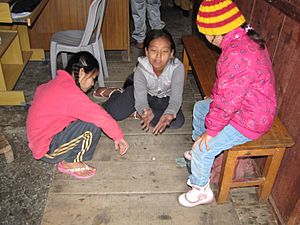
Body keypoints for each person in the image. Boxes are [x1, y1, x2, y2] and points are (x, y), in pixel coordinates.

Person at [178, 0, 277, 207]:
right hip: (248, 105)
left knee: (203, 149)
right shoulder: (242, 40)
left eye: (204, 33)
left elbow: (228, 100)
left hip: (251, 119)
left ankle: (200, 190)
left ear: (215, 32)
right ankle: (201, 150)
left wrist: (212, 131)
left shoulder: (236, 54)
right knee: (200, 108)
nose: (205, 38)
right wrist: (213, 102)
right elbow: (227, 87)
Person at [26, 52, 129, 179]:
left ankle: (64, 152)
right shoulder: (71, 95)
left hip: (38, 138)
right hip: (46, 149)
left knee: (89, 113)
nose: (92, 84)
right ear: (81, 73)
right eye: (93, 78)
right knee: (92, 126)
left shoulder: (55, 84)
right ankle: (70, 162)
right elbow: (100, 117)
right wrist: (118, 137)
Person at [94, 29, 185, 135]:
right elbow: (141, 99)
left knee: (177, 122)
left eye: (164, 51)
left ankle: (139, 113)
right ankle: (116, 93)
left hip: (165, 99)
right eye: (154, 50)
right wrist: (144, 108)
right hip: (140, 94)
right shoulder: (141, 69)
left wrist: (169, 114)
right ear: (146, 51)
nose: (158, 56)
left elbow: (176, 99)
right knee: (115, 114)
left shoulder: (177, 68)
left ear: (171, 53)